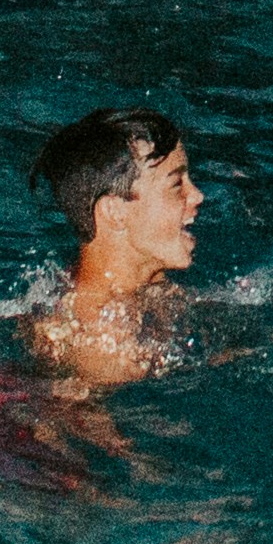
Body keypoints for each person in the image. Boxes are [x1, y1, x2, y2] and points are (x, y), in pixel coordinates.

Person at [28, 105, 199, 389]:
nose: (197, 195)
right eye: (176, 185)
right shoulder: (99, 347)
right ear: (116, 212)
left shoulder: (143, 287)